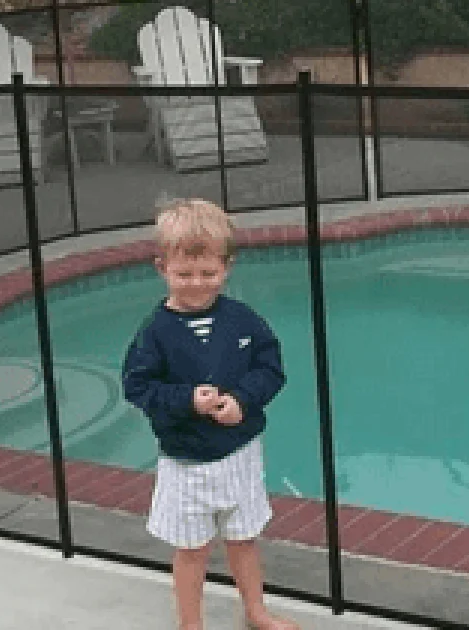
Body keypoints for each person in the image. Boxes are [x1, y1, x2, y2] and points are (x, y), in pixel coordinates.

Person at [121, 198, 298, 630]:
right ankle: (190, 624)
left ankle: (255, 611)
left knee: (244, 538)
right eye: (184, 274)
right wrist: (186, 400)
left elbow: (270, 367)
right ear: (161, 267)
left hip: (241, 455)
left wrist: (242, 400)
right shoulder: (154, 333)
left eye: (208, 273)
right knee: (192, 549)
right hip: (187, 463)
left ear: (228, 267)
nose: (197, 284)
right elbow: (137, 387)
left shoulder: (242, 320)